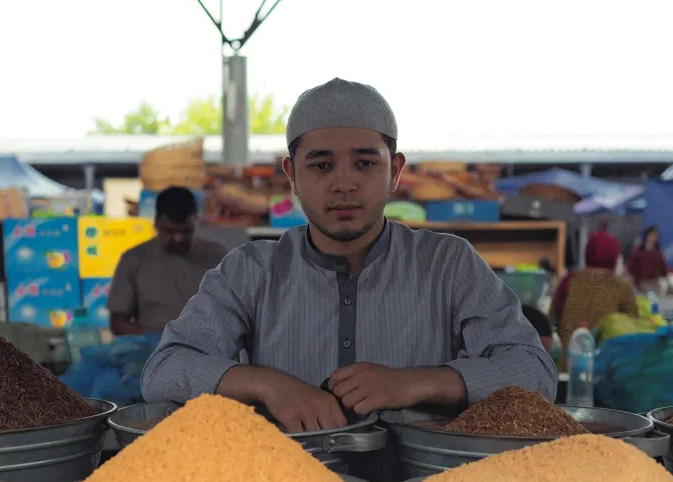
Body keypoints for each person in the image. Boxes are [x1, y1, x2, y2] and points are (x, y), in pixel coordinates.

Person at [143, 77, 555, 431]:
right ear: (292, 176)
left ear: (395, 171)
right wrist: (268, 385)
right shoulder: (249, 271)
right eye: (321, 166)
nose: (344, 183)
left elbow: (535, 372)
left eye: (364, 164)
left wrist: (415, 383)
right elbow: (164, 370)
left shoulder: (447, 263)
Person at [108, 186, 224, 336]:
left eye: (186, 231)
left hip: (207, 343)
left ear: (196, 222)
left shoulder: (217, 258)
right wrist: (156, 338)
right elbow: (118, 323)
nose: (178, 239)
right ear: (156, 224)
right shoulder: (134, 260)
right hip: (152, 345)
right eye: (170, 231)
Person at [551, 231, 636, 337]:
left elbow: (553, 316)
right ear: (614, 256)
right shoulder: (621, 286)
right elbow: (633, 324)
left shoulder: (569, 280)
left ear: (587, 252)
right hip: (607, 346)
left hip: (570, 345)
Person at [625, 226, 667, 292]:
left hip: (653, 285)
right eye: (652, 234)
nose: (654, 237)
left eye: (656, 235)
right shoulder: (638, 253)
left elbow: (664, 272)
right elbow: (630, 271)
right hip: (639, 286)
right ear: (647, 235)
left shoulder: (658, 254)